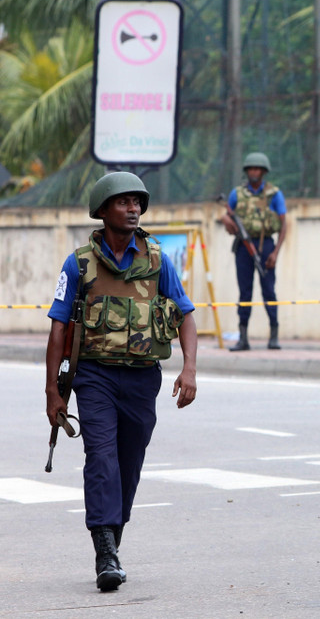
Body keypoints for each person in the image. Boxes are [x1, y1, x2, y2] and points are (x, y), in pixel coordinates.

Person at [45, 172, 198, 592]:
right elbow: (58, 329)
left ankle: (113, 537)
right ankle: (104, 549)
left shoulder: (156, 259)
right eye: (123, 202)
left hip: (141, 378)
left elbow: (185, 314)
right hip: (93, 375)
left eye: (137, 202)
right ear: (103, 210)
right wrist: (52, 391)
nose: (133, 209)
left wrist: (189, 369)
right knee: (102, 457)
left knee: (128, 463)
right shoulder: (78, 264)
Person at [219, 152, 288, 351]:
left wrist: (275, 252)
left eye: (257, 169)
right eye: (251, 169)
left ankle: (274, 335)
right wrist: (227, 221)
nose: (254, 172)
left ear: (264, 172)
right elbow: (227, 216)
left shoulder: (274, 194)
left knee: (269, 291)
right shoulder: (237, 194)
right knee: (245, 293)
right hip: (243, 247)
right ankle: (243, 337)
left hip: (265, 245)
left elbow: (284, 225)